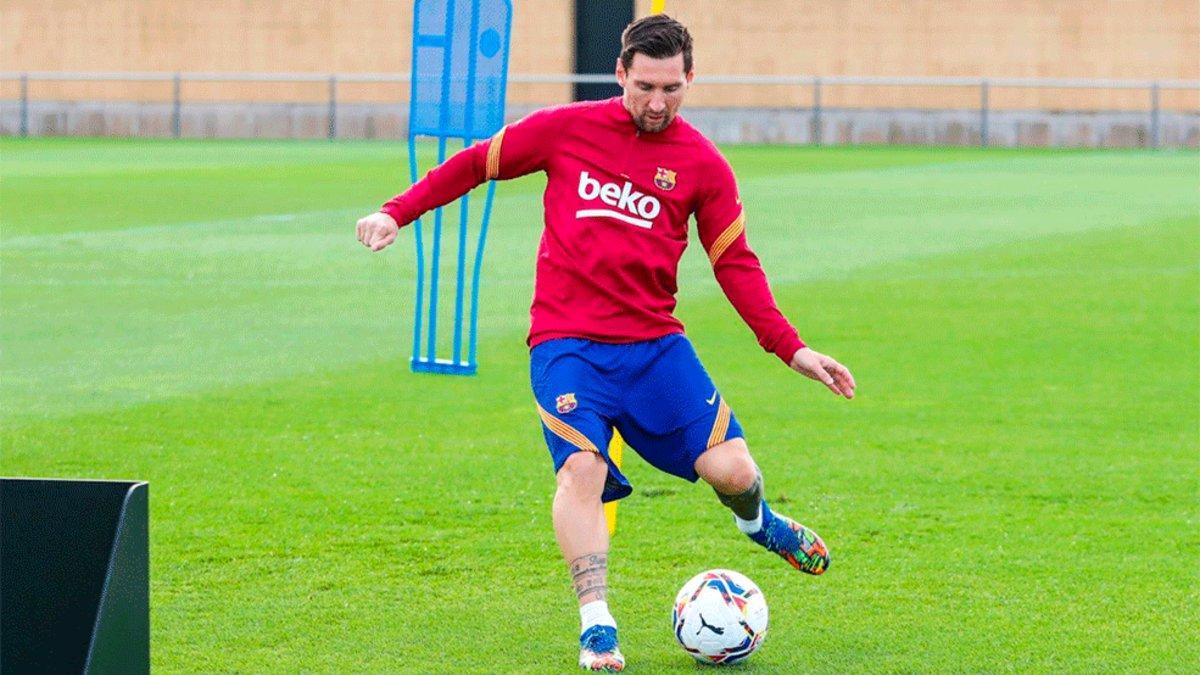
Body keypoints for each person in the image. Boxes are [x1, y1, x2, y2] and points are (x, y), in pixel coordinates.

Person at [356, 14, 855, 672]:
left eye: (671, 89)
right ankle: (597, 624)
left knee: (734, 473)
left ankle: (758, 522)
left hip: (654, 347)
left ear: (690, 80)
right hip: (567, 344)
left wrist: (791, 348)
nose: (656, 102)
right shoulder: (566, 129)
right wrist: (397, 210)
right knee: (581, 470)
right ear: (620, 73)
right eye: (644, 86)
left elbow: (736, 264)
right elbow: (477, 164)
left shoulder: (703, 164)